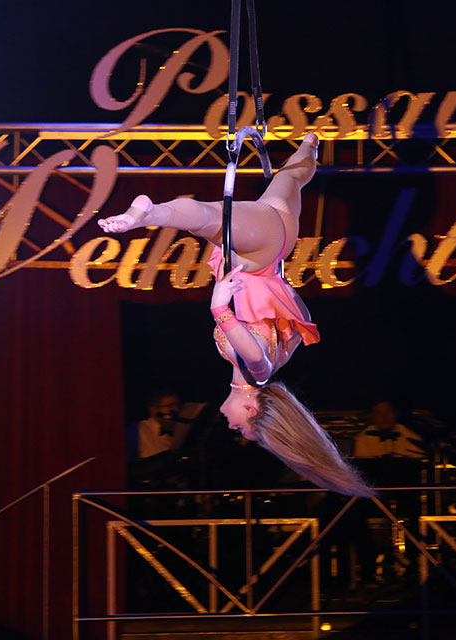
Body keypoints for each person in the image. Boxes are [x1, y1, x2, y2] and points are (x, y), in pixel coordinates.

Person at [99, 133, 372, 497]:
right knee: (210, 218)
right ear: (252, 408)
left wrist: (272, 284)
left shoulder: (275, 360)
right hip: (259, 251)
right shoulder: (257, 371)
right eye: (244, 429)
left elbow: (293, 314)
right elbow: (255, 355)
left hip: (276, 244)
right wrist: (219, 307)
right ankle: (148, 214)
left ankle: (309, 146)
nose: (233, 428)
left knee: (290, 178)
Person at [353, 400, 426, 459]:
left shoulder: (411, 438)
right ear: (372, 417)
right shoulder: (361, 440)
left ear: (396, 414)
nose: (384, 416)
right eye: (379, 413)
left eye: (388, 411)